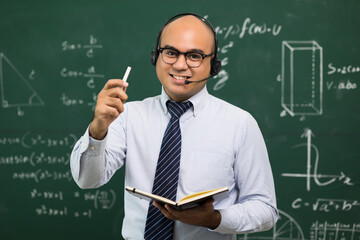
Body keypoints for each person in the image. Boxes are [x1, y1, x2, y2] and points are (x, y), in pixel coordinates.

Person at [70, 13, 278, 240]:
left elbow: (265, 210)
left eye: (194, 56)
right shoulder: (127, 115)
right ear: (155, 57)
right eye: (170, 53)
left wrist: (214, 219)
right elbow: (87, 180)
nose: (180, 65)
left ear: (214, 65)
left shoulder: (240, 123)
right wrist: (98, 129)